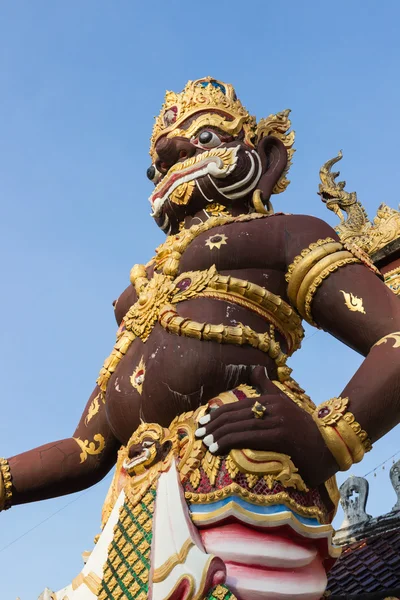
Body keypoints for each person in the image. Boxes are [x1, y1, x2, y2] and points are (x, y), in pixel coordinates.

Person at [2, 77, 400, 600]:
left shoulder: (286, 236)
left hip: (243, 484)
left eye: (207, 138)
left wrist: (326, 438)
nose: (175, 163)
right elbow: (87, 449)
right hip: (135, 509)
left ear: (269, 158)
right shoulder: (140, 294)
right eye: (159, 165)